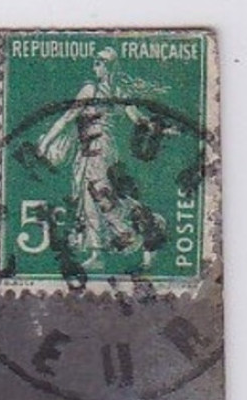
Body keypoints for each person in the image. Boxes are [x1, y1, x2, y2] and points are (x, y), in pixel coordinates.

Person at [35, 48, 169, 269]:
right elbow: (138, 120)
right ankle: (102, 252)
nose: (94, 67)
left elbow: (68, 117)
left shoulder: (92, 89)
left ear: (109, 66)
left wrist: (45, 142)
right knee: (95, 200)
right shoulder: (118, 91)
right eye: (94, 62)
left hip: (98, 151)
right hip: (93, 151)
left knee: (103, 199)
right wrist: (159, 129)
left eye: (99, 63)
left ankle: (146, 235)